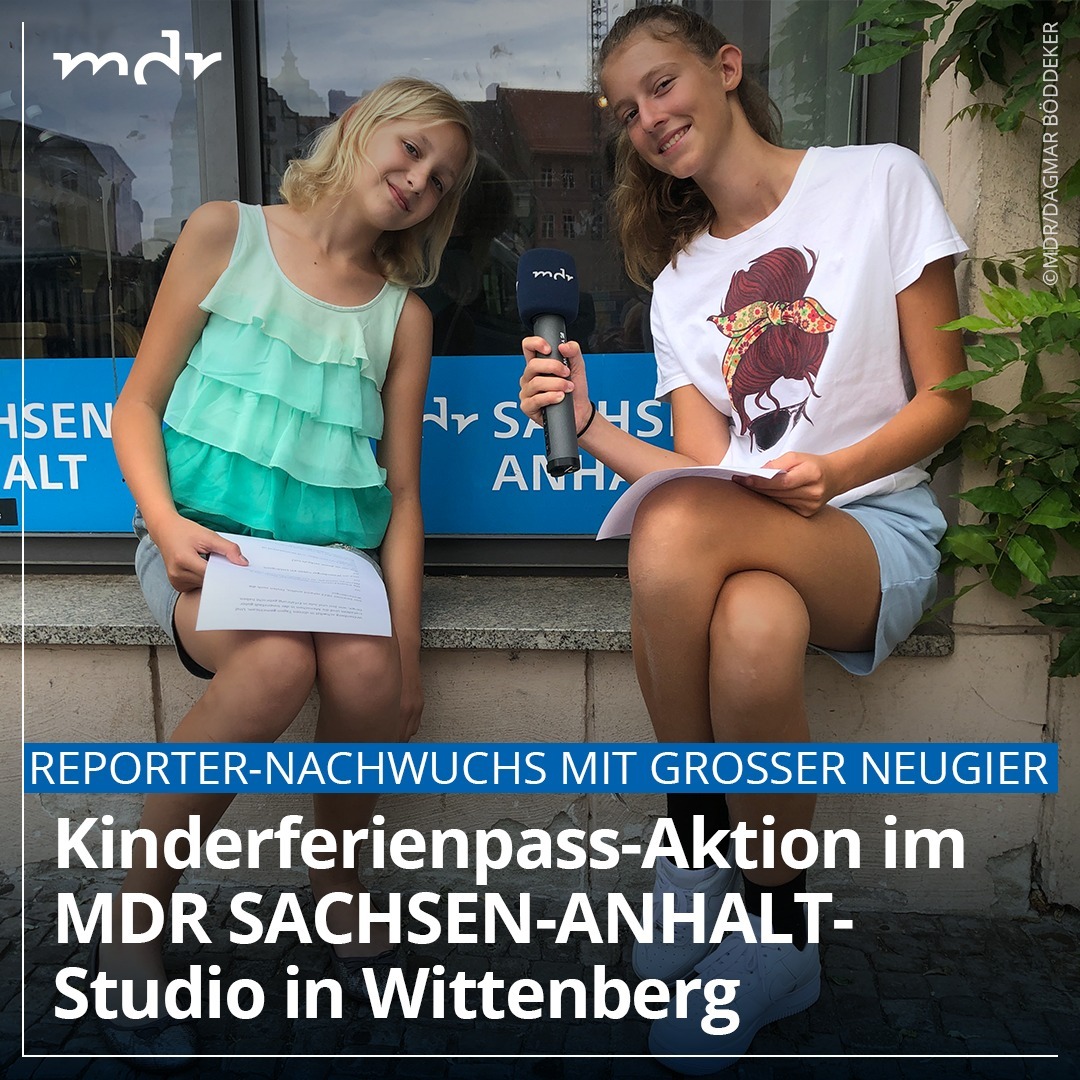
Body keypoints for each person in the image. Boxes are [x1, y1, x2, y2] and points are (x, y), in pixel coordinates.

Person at [519, 6, 969, 1073]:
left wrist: (837, 472)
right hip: (755, 534)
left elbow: (949, 399)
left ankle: (692, 838)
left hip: (873, 523)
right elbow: (702, 471)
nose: (648, 118)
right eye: (626, 110)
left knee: (676, 524)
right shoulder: (681, 282)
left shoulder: (881, 180)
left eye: (662, 84)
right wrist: (586, 424)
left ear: (726, 68)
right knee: (754, 629)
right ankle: (780, 939)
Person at [105, 76, 475, 1065]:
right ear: (356, 129)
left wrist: (406, 647)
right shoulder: (224, 233)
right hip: (204, 542)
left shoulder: (402, 316)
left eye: (441, 180)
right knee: (274, 666)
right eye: (410, 150)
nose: (419, 181)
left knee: (365, 672)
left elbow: (402, 494)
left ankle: (338, 891)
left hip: (331, 563)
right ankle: (135, 920)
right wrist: (166, 525)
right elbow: (137, 406)